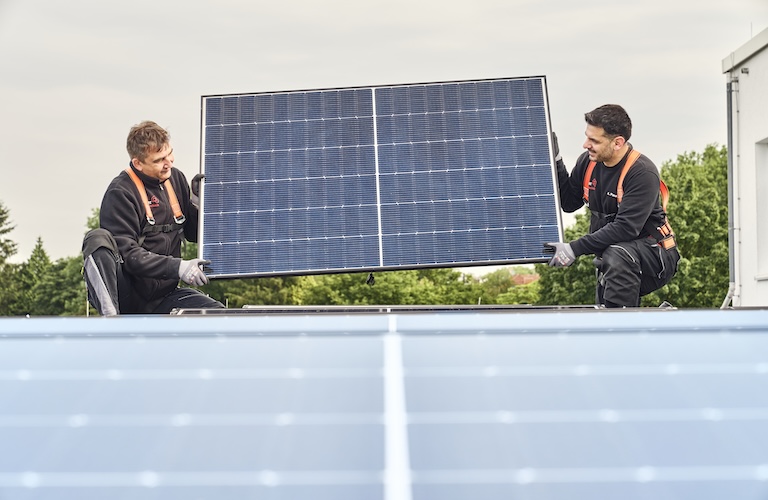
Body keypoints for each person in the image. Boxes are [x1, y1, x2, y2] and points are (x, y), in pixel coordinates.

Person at [544, 104, 680, 308]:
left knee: (616, 256)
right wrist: (556, 160)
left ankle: (620, 331)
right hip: (615, 258)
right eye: (587, 137)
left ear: (617, 143)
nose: (585, 145)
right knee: (606, 304)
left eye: (594, 140)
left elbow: (626, 228)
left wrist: (573, 249)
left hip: (655, 256)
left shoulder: (642, 173)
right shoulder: (589, 162)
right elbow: (570, 203)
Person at [82, 121, 224, 315]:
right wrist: (178, 267)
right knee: (97, 238)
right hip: (127, 297)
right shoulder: (121, 192)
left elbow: (193, 233)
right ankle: (111, 323)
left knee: (220, 316)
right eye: (158, 160)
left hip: (164, 296)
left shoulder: (176, 179)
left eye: (169, 154)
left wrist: (200, 203)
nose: (169, 163)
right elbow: (128, 255)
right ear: (137, 163)